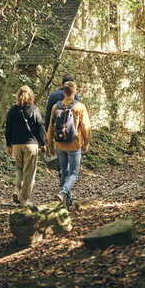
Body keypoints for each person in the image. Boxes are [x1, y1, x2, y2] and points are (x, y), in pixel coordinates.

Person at [46, 81, 91, 210]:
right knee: (74, 173)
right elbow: (85, 127)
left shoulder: (56, 106)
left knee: (64, 171)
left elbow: (51, 127)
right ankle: (63, 192)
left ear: (63, 92)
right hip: (74, 144)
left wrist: (49, 143)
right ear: (74, 91)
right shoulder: (80, 107)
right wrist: (86, 143)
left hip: (59, 144)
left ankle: (67, 202)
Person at [4, 85, 46, 206]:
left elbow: (8, 128)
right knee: (29, 173)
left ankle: (17, 190)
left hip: (16, 145)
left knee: (19, 169)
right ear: (31, 96)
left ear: (18, 95)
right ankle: (24, 199)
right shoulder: (34, 109)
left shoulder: (12, 110)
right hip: (31, 145)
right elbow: (40, 127)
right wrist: (43, 143)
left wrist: (8, 144)